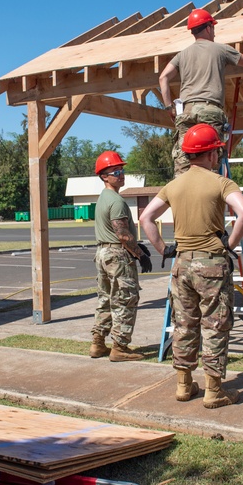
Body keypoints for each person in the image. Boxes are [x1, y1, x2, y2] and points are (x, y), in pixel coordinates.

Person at [139, 124, 243, 409]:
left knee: (183, 325)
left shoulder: (173, 185)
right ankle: (214, 391)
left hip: (182, 264)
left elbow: (146, 219)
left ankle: (183, 385)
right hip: (212, 264)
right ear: (213, 153)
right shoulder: (221, 182)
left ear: (189, 154)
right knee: (215, 326)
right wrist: (229, 244)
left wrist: (163, 249)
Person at [159, 9, 243, 176]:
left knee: (183, 163)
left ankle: (182, 197)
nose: (214, 31)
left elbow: (163, 78)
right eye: (213, 27)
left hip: (186, 111)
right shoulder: (220, 49)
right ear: (208, 28)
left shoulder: (182, 55)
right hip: (209, 111)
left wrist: (169, 108)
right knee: (210, 162)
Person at [91, 150, 151, 362]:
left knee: (105, 299)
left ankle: (98, 343)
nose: (120, 174)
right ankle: (120, 347)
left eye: (122, 170)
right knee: (125, 299)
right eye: (115, 171)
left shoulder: (103, 198)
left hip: (103, 253)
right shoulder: (115, 201)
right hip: (117, 255)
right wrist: (140, 254)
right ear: (104, 177)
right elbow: (123, 235)